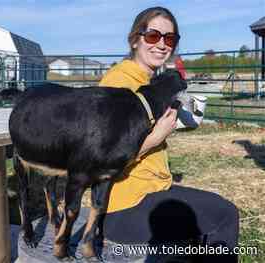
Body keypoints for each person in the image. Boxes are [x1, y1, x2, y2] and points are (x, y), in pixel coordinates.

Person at [99, 6, 239, 262]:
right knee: (225, 215)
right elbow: (103, 159)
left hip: (151, 190)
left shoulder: (148, 80)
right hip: (124, 207)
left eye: (170, 38)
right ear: (134, 39)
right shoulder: (120, 84)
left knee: (206, 219)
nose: (162, 44)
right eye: (153, 36)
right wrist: (156, 137)